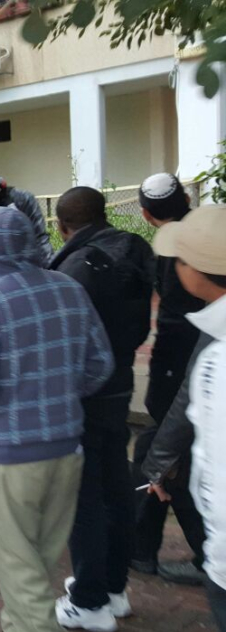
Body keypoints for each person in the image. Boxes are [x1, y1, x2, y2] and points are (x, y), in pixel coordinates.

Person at [0, 207, 113, 632]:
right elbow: (100, 364)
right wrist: (59, 393)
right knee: (39, 555)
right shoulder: (69, 288)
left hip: (12, 453)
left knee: (17, 562)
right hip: (69, 445)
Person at [46, 187, 154, 632]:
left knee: (84, 496)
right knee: (116, 484)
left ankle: (88, 600)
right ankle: (113, 588)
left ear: (61, 225)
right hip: (119, 384)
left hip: (84, 394)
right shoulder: (133, 248)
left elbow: (64, 341)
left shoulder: (74, 267)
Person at [149, 204, 226, 632]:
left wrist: (159, 461)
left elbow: (191, 409)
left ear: (197, 271)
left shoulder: (217, 350)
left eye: (179, 260)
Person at [132, 174, 208, 585]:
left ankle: (205, 554)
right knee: (157, 453)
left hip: (182, 368)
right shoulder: (202, 233)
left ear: (146, 214)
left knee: (167, 456)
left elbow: (176, 321)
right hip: (192, 364)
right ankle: (142, 548)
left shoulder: (176, 246)